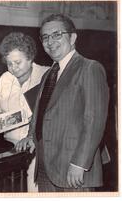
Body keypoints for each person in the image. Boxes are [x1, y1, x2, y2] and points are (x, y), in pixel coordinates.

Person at [16, 14, 109, 192]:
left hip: (73, 169)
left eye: (57, 34)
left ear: (73, 37)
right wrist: (31, 137)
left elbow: (94, 121)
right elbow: (41, 113)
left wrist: (80, 164)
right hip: (45, 168)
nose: (50, 41)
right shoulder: (48, 74)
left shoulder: (90, 68)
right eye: (45, 37)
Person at [0, 32, 49, 192]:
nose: (13, 68)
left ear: (30, 58)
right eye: (9, 64)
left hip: (39, 150)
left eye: (17, 62)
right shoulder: (4, 79)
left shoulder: (46, 75)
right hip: (10, 150)